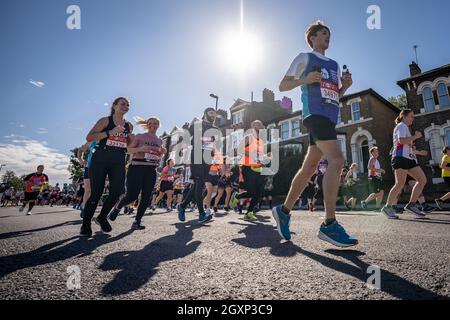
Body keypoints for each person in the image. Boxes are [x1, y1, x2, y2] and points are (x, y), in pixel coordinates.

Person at [272, 21, 357, 247]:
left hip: (329, 116)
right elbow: (282, 85)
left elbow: (333, 93)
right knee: (337, 160)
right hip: (315, 114)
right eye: (323, 33)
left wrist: (345, 87)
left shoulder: (335, 65)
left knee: (309, 168)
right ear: (312, 38)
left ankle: (284, 210)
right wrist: (305, 80)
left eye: (329, 33)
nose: (327, 36)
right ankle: (329, 224)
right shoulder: (305, 58)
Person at [80, 97, 133, 237]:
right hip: (101, 159)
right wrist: (110, 132)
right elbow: (89, 137)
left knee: (117, 192)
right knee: (96, 193)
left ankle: (102, 217)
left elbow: (127, 145)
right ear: (114, 106)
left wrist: (134, 144)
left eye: (128, 105)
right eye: (122, 104)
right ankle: (85, 225)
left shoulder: (129, 126)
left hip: (119, 160)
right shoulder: (105, 121)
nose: (125, 106)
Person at [108, 117, 165, 229]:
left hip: (151, 170)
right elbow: (127, 150)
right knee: (131, 196)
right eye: (150, 123)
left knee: (146, 196)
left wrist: (162, 153)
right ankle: (117, 207)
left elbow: (157, 156)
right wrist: (141, 149)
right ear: (147, 124)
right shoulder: (140, 136)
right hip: (137, 168)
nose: (152, 125)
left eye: (155, 123)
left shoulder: (159, 141)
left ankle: (137, 221)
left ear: (158, 125)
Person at [381, 109, 427, 219]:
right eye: (411, 116)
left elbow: (407, 145)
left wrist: (418, 152)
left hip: (409, 159)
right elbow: (401, 141)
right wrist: (415, 137)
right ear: (404, 117)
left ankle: (411, 205)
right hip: (400, 157)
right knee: (400, 184)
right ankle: (387, 207)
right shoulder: (401, 126)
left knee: (422, 180)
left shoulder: (406, 128)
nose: (413, 118)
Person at [177, 108, 218, 223]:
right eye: (211, 113)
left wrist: (213, 153)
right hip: (197, 155)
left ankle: (183, 206)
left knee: (198, 185)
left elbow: (213, 143)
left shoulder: (215, 129)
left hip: (208, 157)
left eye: (214, 114)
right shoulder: (197, 125)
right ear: (205, 114)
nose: (213, 115)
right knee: (199, 183)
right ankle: (201, 214)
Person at [231, 120, 269, 222]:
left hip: (258, 168)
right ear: (252, 127)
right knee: (252, 192)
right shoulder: (248, 137)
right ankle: (237, 196)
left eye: (260, 125)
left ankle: (249, 213)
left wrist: (266, 157)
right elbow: (239, 150)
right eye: (256, 125)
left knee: (259, 192)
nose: (258, 126)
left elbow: (259, 156)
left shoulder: (261, 141)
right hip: (247, 167)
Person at [205, 149, 222, 214]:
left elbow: (219, 168)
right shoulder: (207, 158)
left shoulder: (219, 159)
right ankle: (208, 208)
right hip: (208, 176)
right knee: (210, 191)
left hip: (216, 177)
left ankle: (204, 201)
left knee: (214, 194)